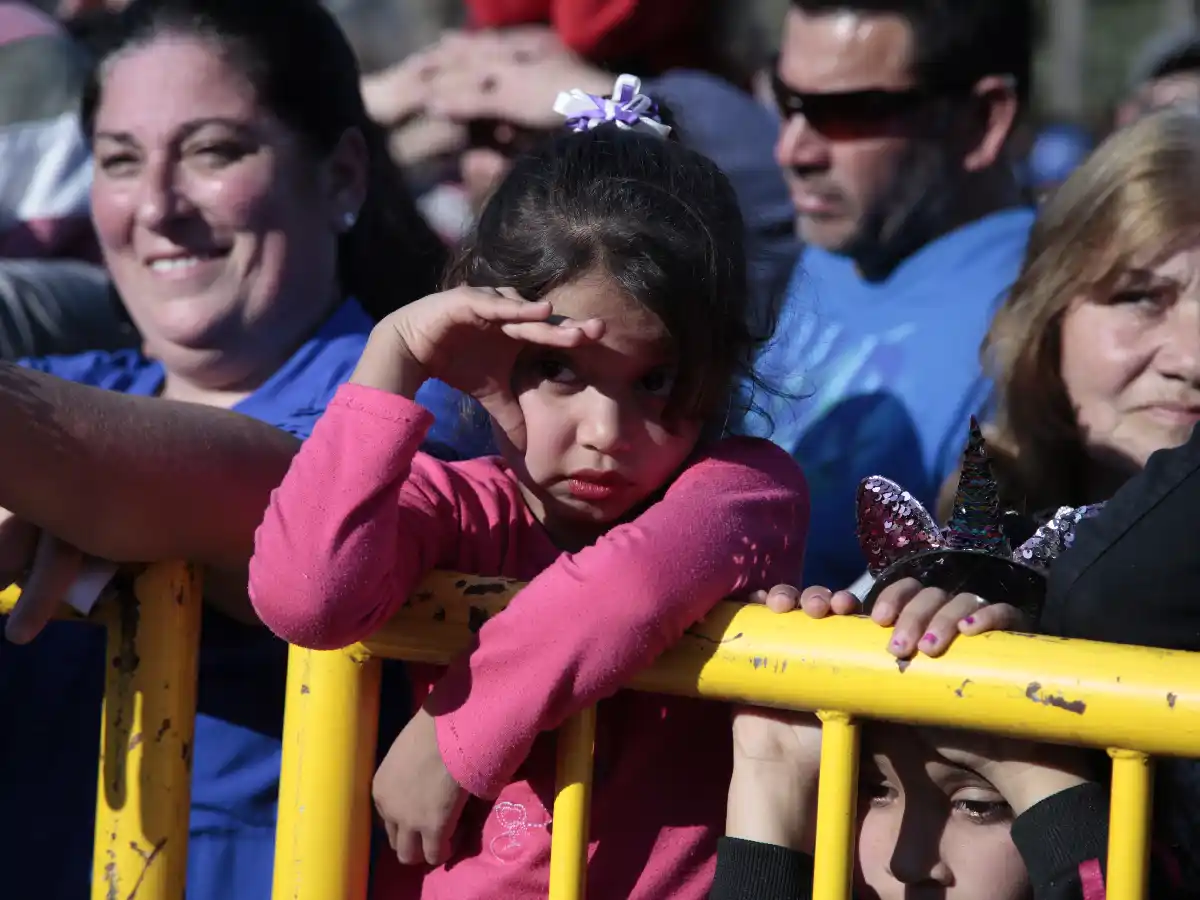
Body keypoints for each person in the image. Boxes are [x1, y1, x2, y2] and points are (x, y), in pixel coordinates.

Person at [248, 77, 809, 900]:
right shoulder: (454, 505)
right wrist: (392, 358)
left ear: (718, 369)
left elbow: (634, 584)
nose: (605, 434)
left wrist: (455, 734)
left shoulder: (745, 493)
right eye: (557, 372)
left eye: (656, 382)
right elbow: (307, 600)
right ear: (486, 341)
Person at [0, 0, 490, 897]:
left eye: (214, 150)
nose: (156, 206)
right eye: (118, 161)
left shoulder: (424, 406)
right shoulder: (74, 380)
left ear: (343, 176)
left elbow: (283, 500)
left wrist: (58, 469)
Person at [741, 0, 1035, 595]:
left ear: (982, 120)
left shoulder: (1048, 316)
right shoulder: (831, 243)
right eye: (786, 99)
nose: (793, 151)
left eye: (848, 112)